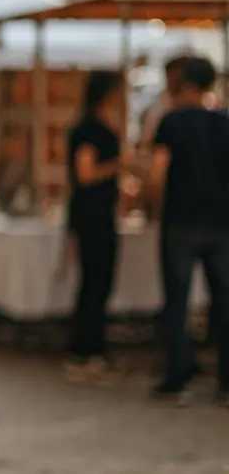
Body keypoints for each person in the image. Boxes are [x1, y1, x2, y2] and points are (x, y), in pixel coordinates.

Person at [145, 56, 229, 404]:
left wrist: (152, 207)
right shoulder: (225, 123)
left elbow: (157, 173)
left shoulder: (172, 122)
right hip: (221, 224)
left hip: (181, 221)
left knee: (177, 302)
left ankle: (177, 378)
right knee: (224, 302)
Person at [64, 72, 129, 382]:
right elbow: (86, 173)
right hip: (92, 215)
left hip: (95, 213)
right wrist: (121, 164)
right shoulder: (91, 130)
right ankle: (86, 349)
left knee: (97, 281)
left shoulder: (92, 126)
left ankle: (90, 347)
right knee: (95, 281)